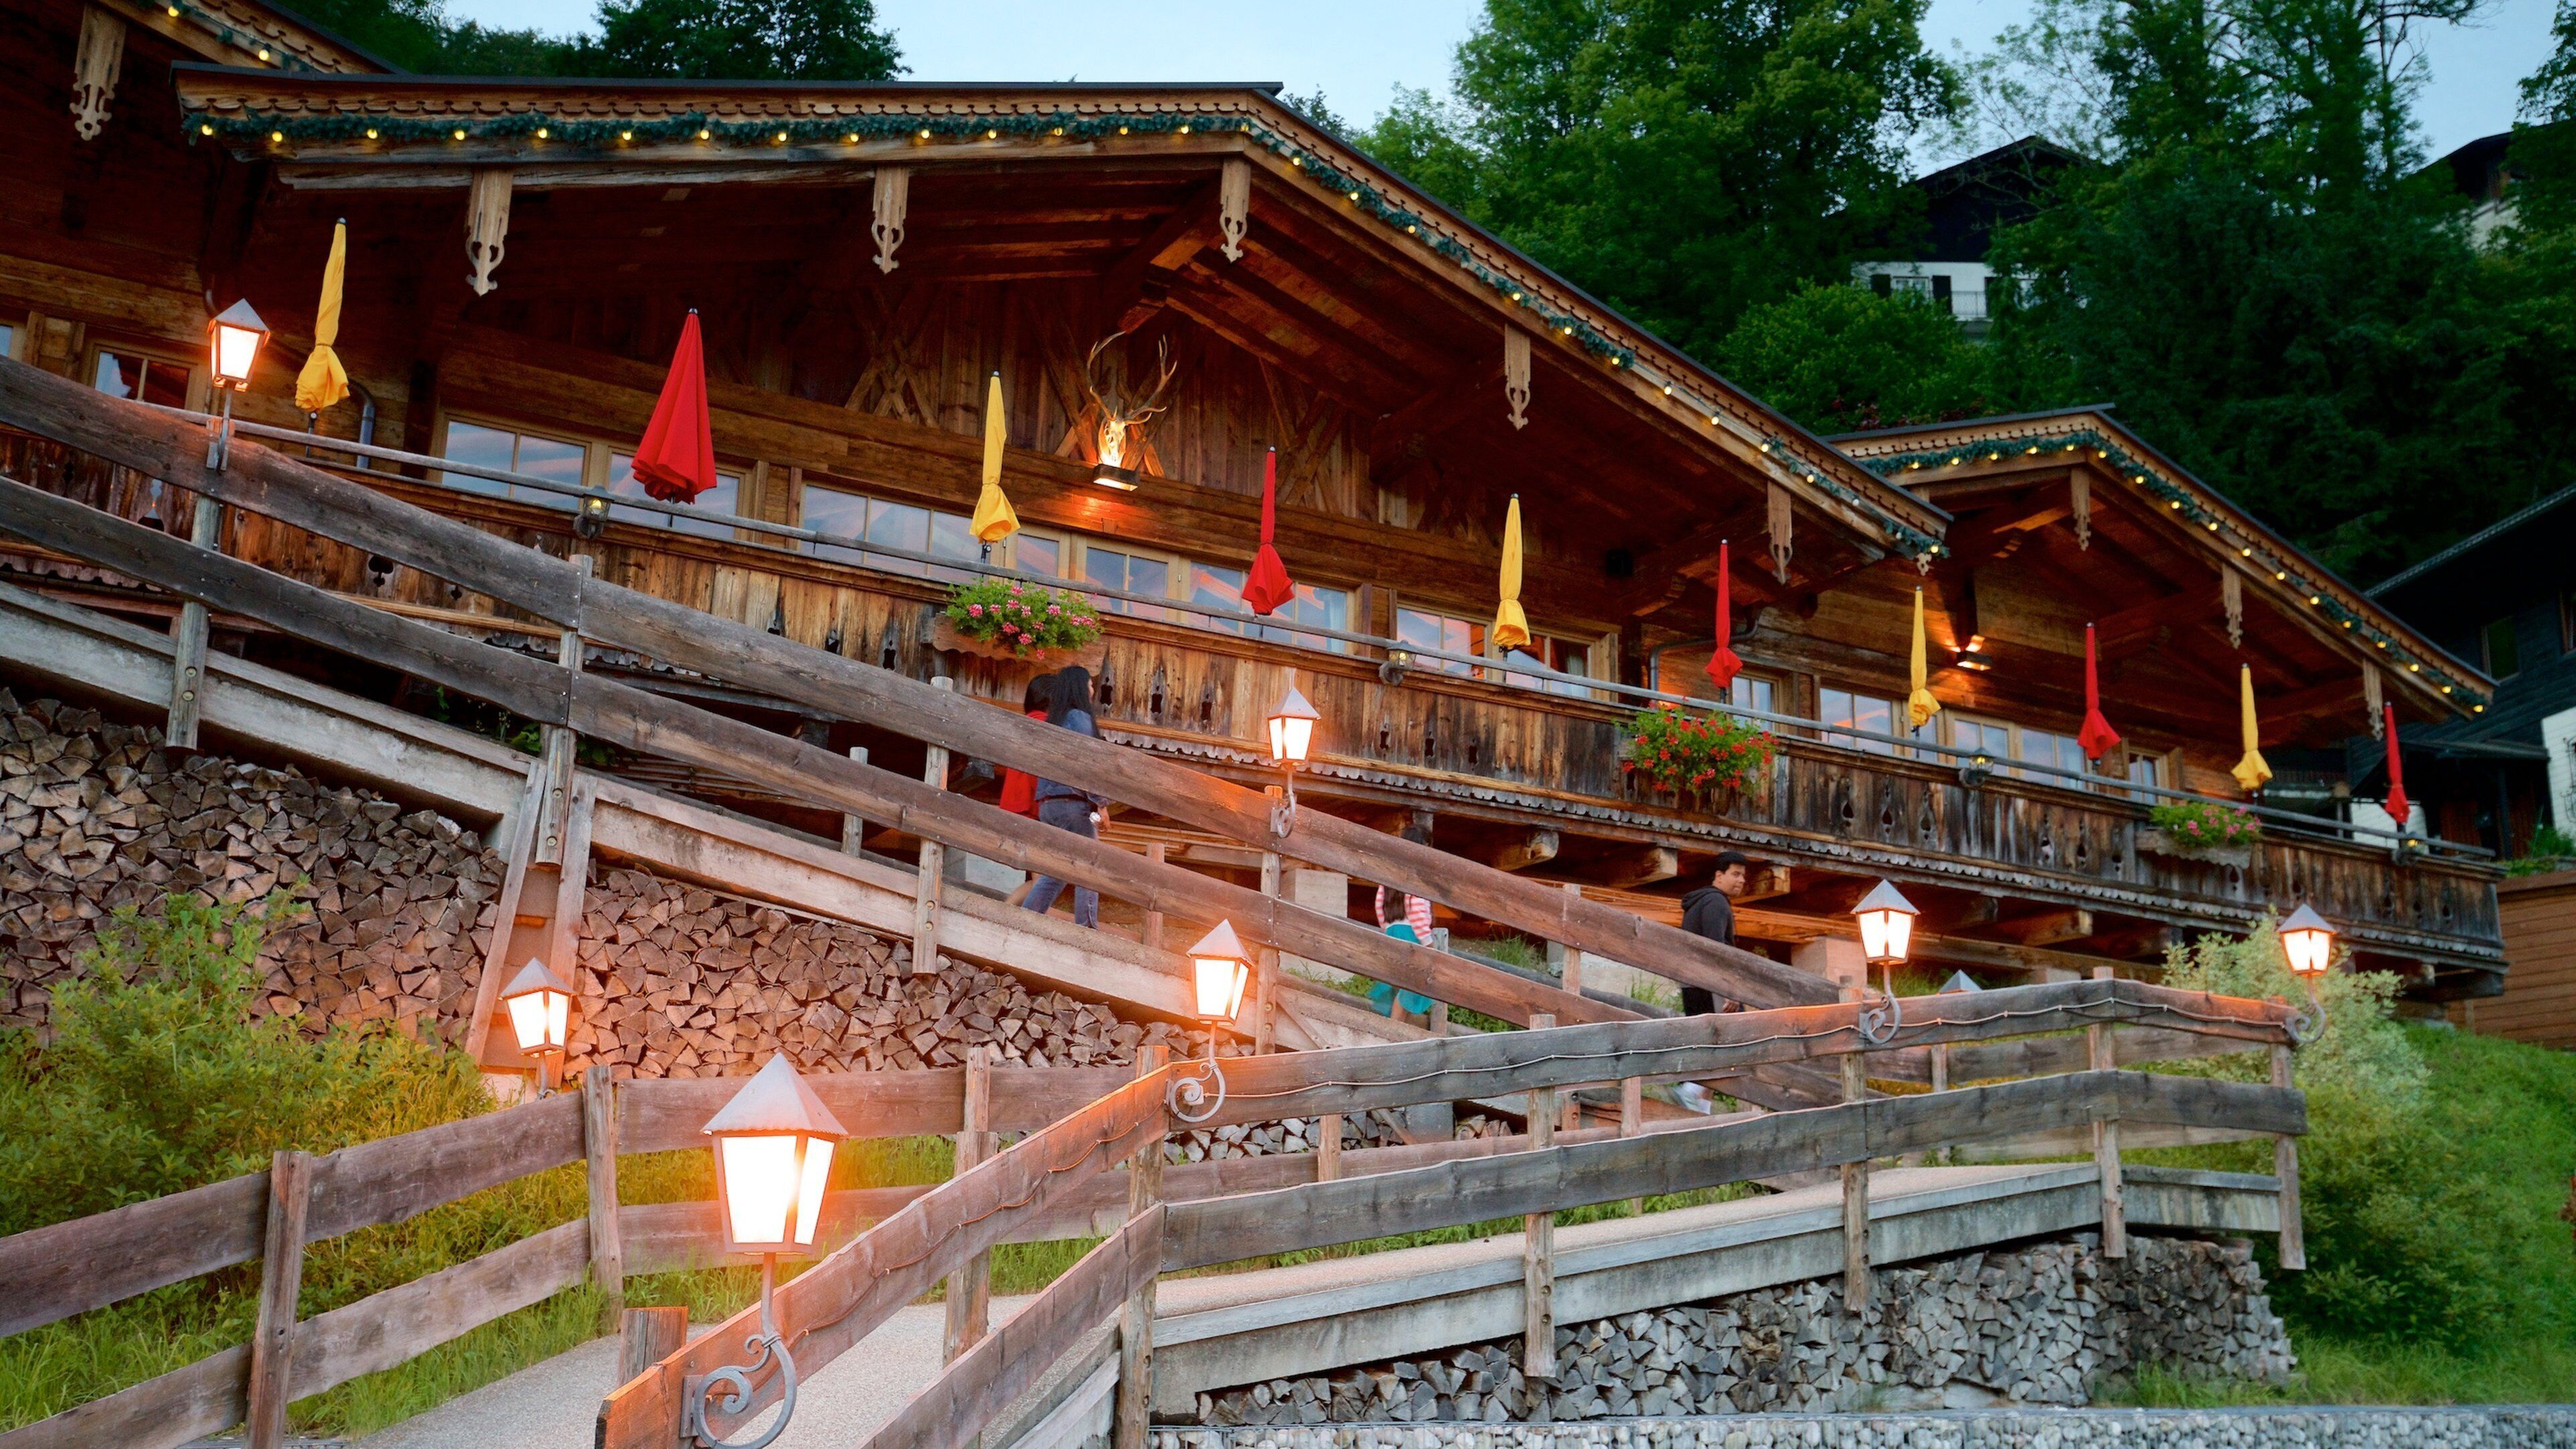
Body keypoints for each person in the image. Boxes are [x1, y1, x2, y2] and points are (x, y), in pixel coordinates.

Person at [1018, 667, 1107, 929]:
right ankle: (1087, 929)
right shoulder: (1079, 718)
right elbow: (1086, 764)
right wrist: (1101, 803)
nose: (1092, 690)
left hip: (1049, 804)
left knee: (1057, 870)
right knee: (1088, 865)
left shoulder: (1054, 720)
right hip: (1071, 803)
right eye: (1090, 685)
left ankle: (1025, 919)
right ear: (1079, 688)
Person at [1673, 849, 1759, 1112]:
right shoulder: (1716, 902)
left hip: (1694, 984)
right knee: (1732, 1039)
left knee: (1711, 1042)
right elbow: (1716, 949)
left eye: (1743, 875)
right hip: (1710, 985)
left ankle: (1701, 1106)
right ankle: (1692, 1090)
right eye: (1735, 874)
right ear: (1718, 875)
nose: (1741, 880)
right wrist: (1730, 990)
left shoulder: (1700, 903)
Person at [1367, 824, 1440, 1023]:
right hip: (1412, 934)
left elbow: (1379, 905)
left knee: (1402, 984)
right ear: (1423, 846)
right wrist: (1428, 942)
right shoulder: (1416, 876)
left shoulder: (1391, 873)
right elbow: (1417, 910)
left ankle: (1395, 1028)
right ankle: (1394, 1030)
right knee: (1413, 987)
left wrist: (1388, 928)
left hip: (1393, 931)